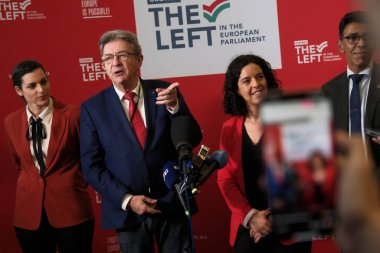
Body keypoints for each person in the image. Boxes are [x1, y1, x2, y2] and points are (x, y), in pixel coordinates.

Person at [79, 30, 201, 253]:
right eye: (108, 58)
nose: (115, 63)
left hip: (172, 202)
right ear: (103, 65)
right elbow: (91, 166)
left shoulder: (165, 92)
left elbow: (193, 137)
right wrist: (127, 199)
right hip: (128, 211)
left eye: (122, 55)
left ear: (139, 59)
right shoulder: (92, 109)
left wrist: (175, 108)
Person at [217, 54, 311, 253]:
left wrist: (273, 215)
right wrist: (252, 217)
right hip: (248, 225)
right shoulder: (229, 129)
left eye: (260, 77)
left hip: (290, 220)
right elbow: (225, 181)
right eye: (246, 80)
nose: (256, 84)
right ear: (236, 89)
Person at [4, 60, 94, 253]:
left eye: (43, 82)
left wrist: (72, 182)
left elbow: (90, 158)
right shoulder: (11, 122)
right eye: (32, 86)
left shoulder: (74, 114)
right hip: (28, 214)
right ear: (19, 91)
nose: (41, 89)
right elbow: (19, 163)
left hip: (71, 209)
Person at [321, 10, 380, 168]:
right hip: (344, 182)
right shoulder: (328, 91)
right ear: (340, 45)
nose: (361, 43)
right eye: (353, 38)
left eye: (367, 37)